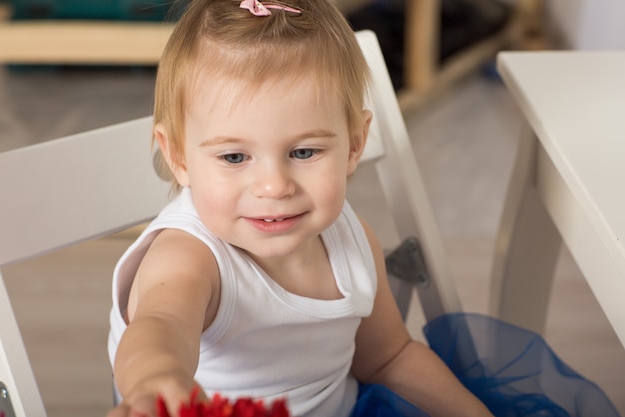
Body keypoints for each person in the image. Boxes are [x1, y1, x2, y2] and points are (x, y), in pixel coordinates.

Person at [107, 0, 494, 416]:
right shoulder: (190, 256)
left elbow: (388, 357)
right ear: (179, 158)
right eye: (234, 157)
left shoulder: (352, 238)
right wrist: (156, 378)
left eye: (305, 151)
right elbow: (160, 326)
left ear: (354, 144)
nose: (274, 186)